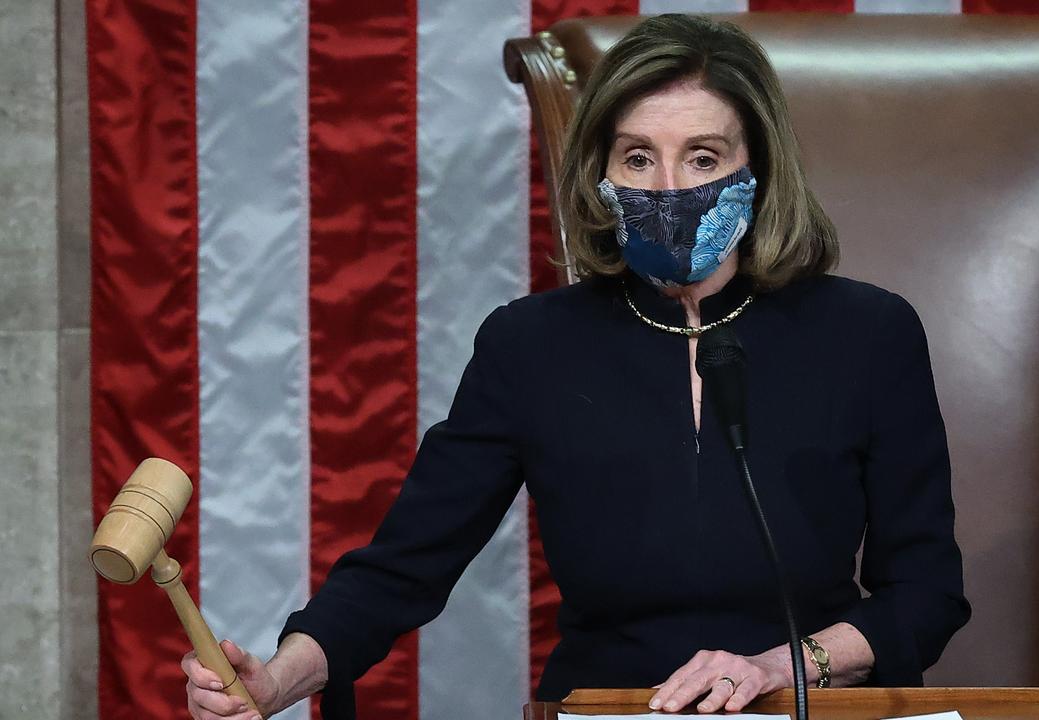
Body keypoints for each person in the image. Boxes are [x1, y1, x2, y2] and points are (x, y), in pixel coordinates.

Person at [182, 13, 970, 720]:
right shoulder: (531, 345)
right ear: (602, 175)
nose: (670, 189)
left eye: (703, 158)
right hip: (607, 707)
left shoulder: (868, 333)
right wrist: (282, 678)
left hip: (806, 707)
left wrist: (778, 668)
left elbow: (926, 595)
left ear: (759, 171)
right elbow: (403, 567)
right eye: (638, 158)